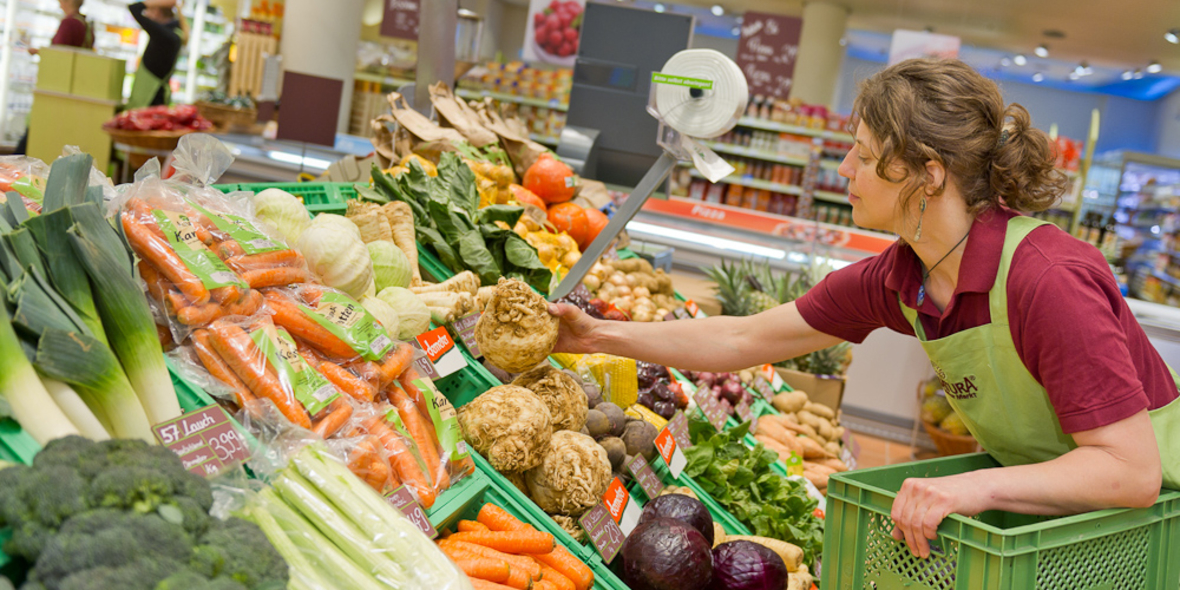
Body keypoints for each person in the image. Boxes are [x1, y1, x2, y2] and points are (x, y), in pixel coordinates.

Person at [548, 58, 1180, 560]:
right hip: (1065, 526)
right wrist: (598, 335)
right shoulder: (904, 274)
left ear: (927, 174)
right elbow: (744, 339)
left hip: (1146, 535)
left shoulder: (1047, 280)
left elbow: (1130, 472)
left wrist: (972, 485)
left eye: (865, 153)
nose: (845, 167)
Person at [14, 0, 94, 154]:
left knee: (32, 136)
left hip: (56, 86)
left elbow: (59, 56)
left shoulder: (69, 23)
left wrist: (39, 52)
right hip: (73, 88)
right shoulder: (85, 24)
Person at [127, 0, 190, 109]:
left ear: (157, 12)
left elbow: (134, 9)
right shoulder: (174, 33)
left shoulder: (164, 36)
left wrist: (164, 2)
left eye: (148, 10)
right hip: (156, 99)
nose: (145, 14)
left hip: (149, 101)